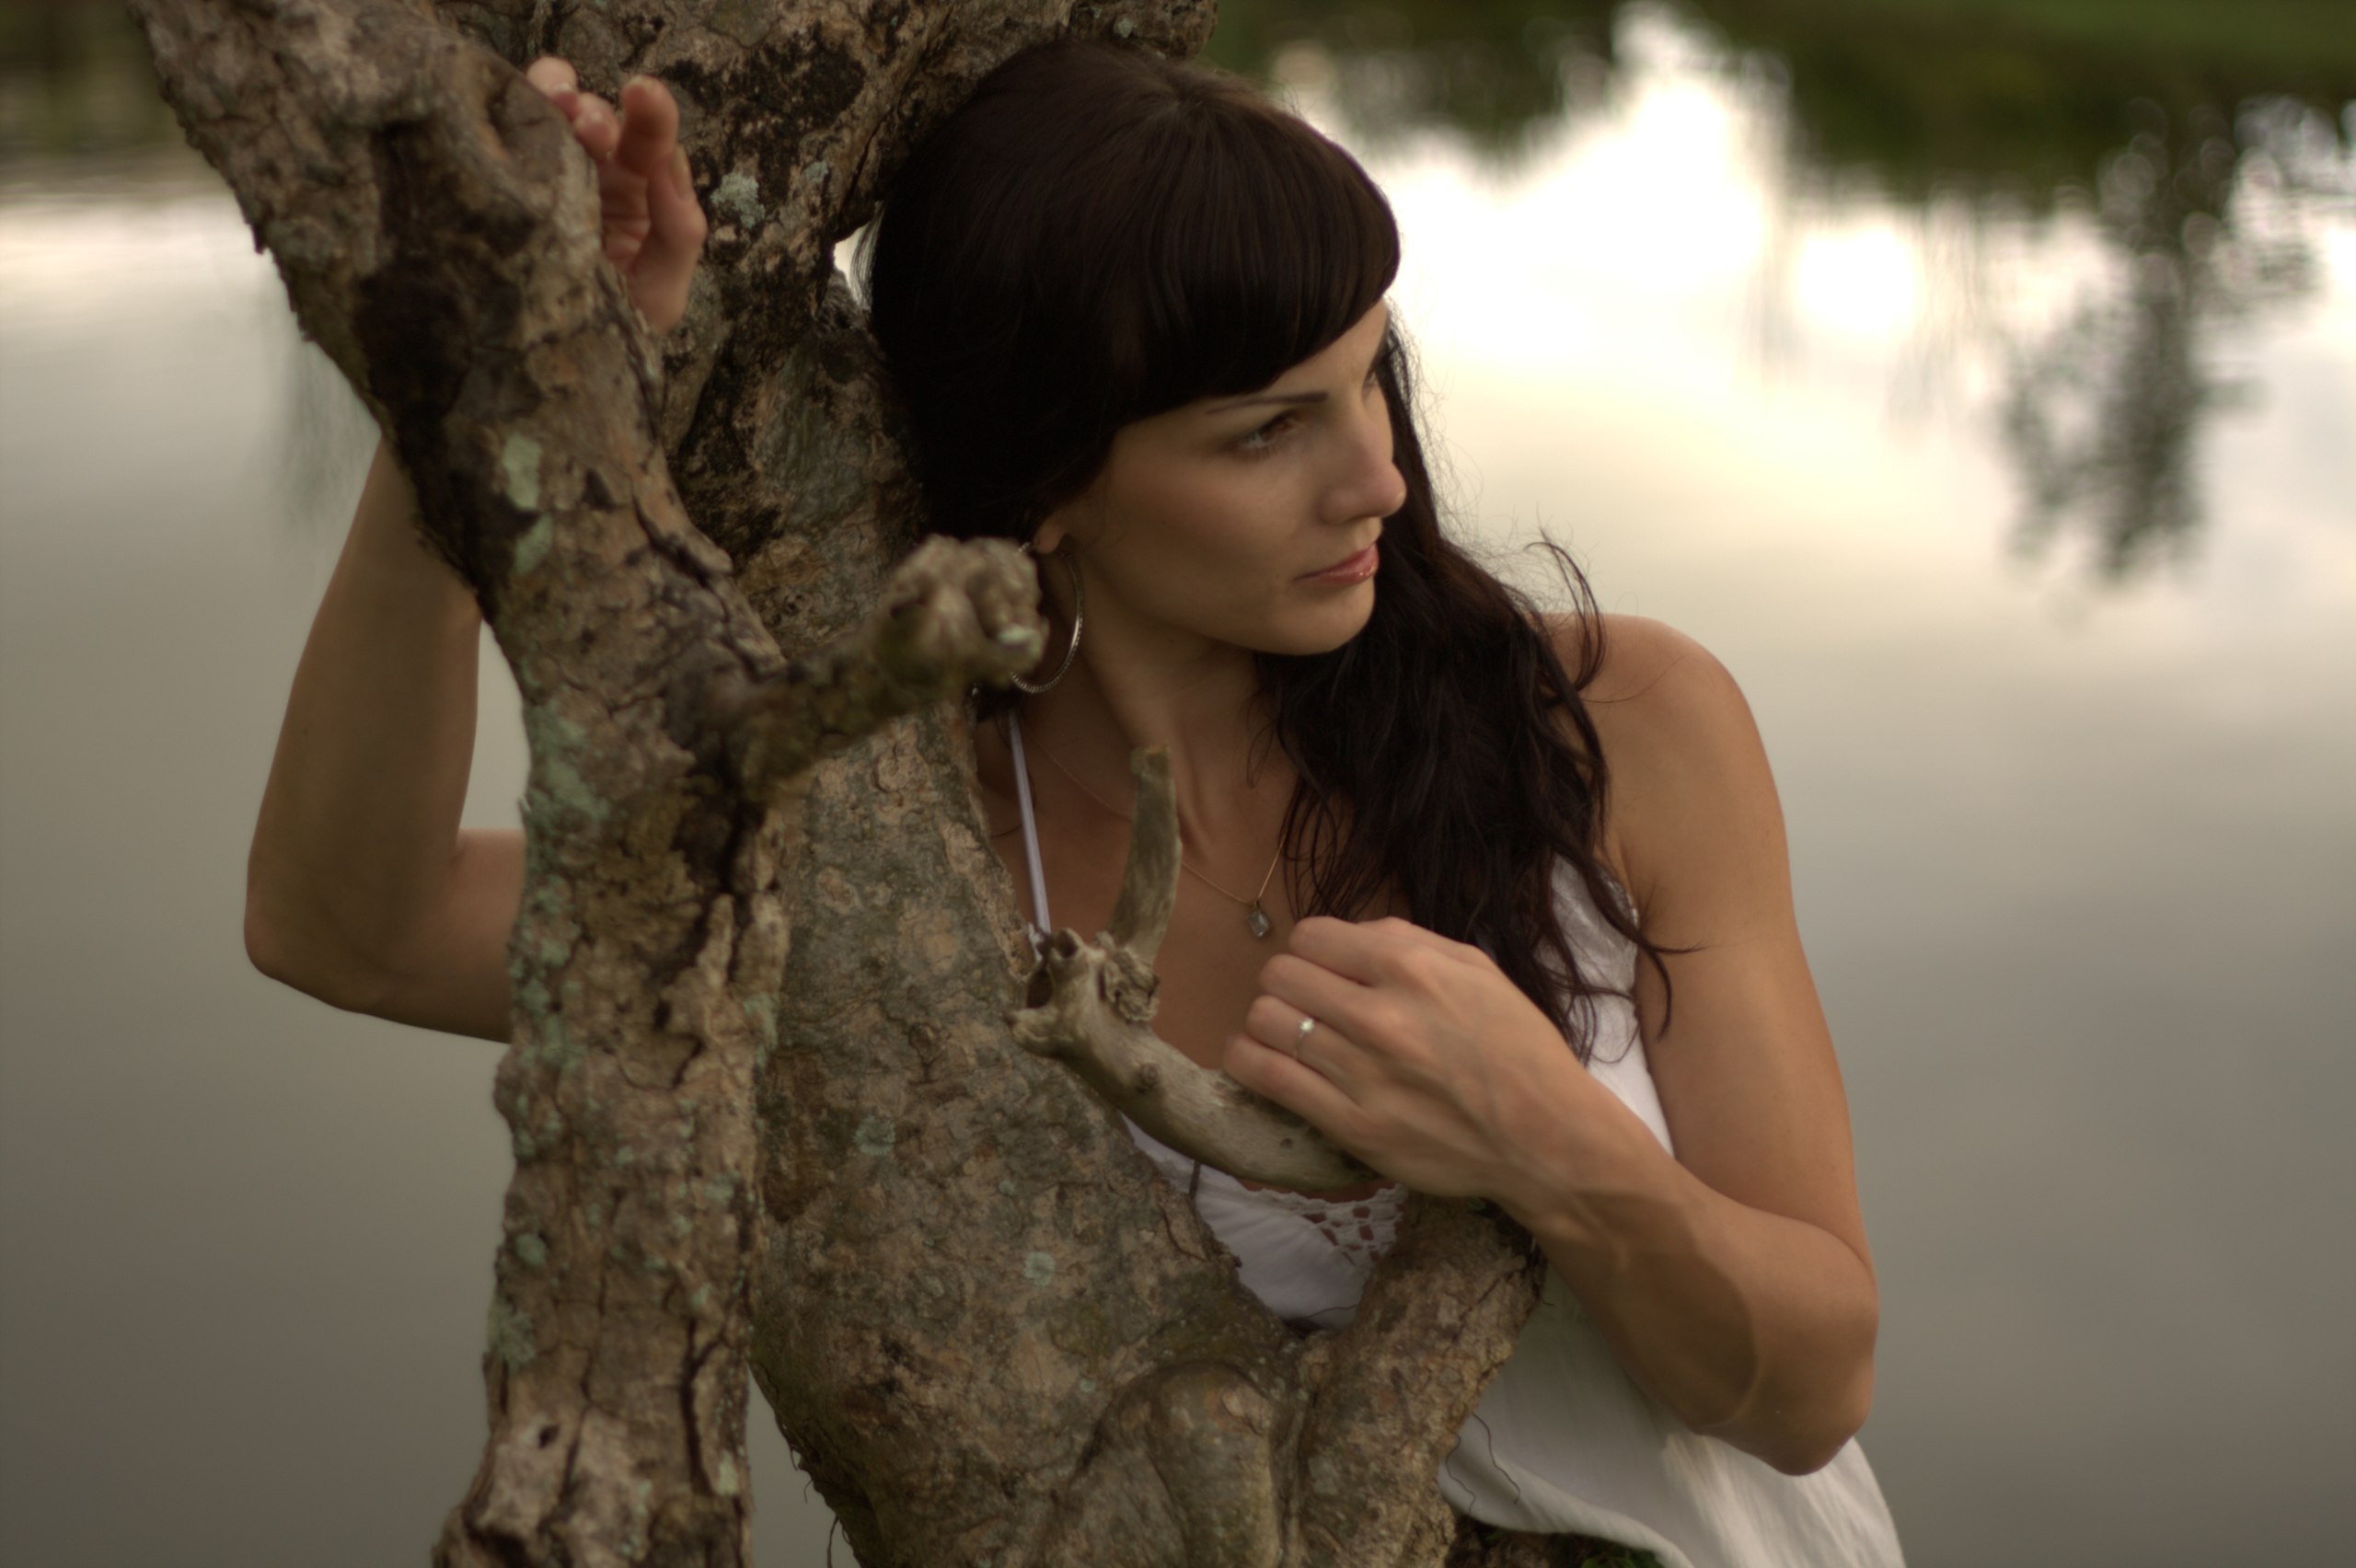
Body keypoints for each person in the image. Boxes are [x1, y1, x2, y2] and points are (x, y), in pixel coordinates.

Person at [242, 38, 1902, 1568]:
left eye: (1371, 377)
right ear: (1046, 487)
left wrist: (1550, 1139)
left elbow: (1814, 1386)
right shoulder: (908, 866)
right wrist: (481, 391)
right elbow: (350, 930)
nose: (1380, 478)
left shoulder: (1616, 728)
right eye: (1268, 431)